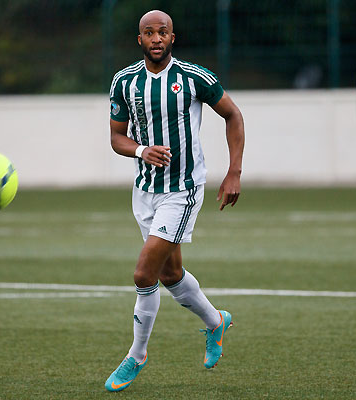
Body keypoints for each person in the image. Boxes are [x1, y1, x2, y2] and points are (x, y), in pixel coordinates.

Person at [105, 10, 245, 392]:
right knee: (169, 274)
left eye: (162, 32)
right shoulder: (124, 82)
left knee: (143, 273)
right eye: (148, 33)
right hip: (145, 190)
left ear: (172, 37)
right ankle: (217, 321)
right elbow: (118, 137)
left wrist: (234, 172)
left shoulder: (192, 77)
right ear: (140, 40)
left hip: (182, 189)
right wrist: (141, 151)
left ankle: (136, 355)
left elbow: (232, 115)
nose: (155, 38)